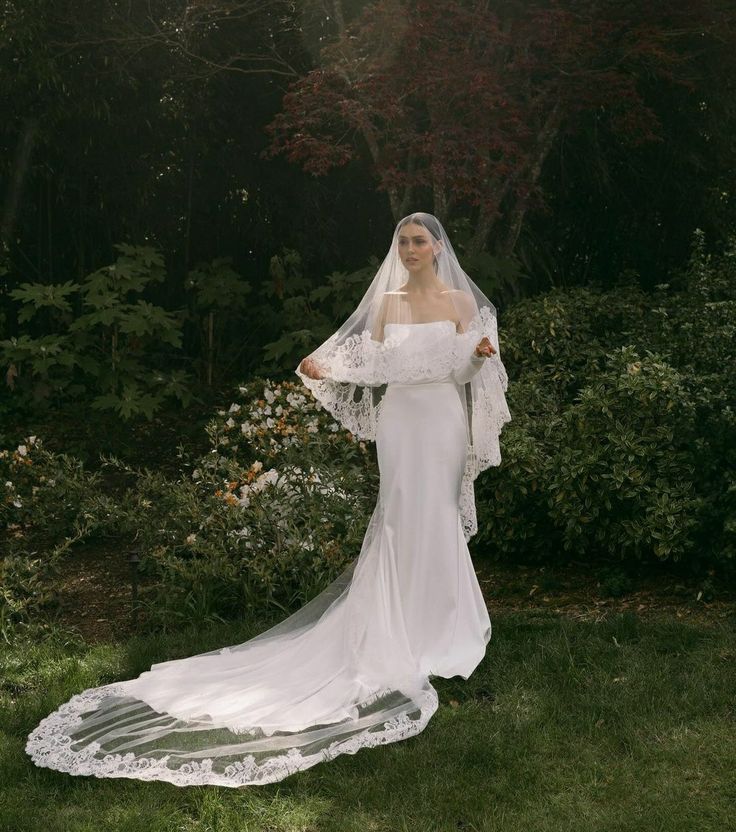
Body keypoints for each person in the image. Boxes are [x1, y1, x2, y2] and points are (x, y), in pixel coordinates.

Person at [24, 212, 511, 788]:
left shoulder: (460, 302)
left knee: (436, 514)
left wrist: (479, 353)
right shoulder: (387, 306)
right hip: (403, 421)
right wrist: (323, 366)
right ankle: (399, 628)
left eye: (418, 240)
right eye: (402, 241)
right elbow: (374, 365)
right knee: (403, 516)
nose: (409, 249)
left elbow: (467, 366)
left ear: (436, 247)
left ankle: (444, 627)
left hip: (443, 422)